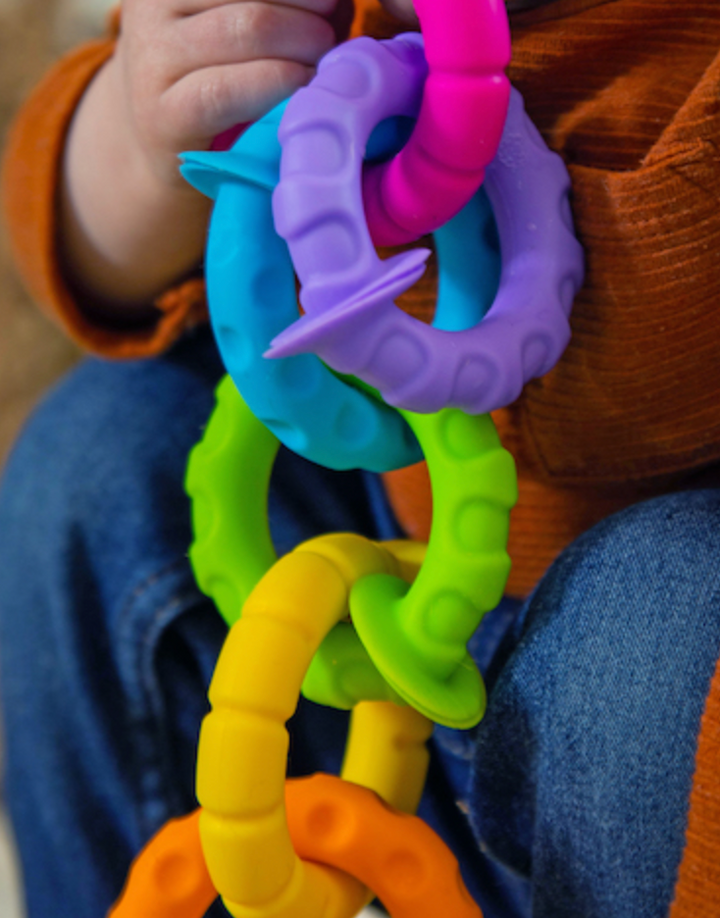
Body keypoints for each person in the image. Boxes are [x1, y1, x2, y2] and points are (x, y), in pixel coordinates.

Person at [2, 0, 720, 916]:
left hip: (646, 763)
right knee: (95, 456)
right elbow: (76, 235)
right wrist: (155, 124)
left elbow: (641, 371)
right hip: (358, 615)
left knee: (666, 608)